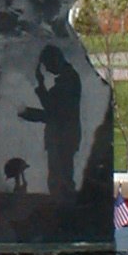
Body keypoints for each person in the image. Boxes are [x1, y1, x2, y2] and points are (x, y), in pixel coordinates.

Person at [19, 44, 81, 197]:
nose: (47, 69)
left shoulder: (67, 82)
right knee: (60, 176)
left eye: (47, 65)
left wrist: (40, 86)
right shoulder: (67, 80)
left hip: (63, 136)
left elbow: (53, 111)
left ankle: (63, 210)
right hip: (63, 135)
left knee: (60, 177)